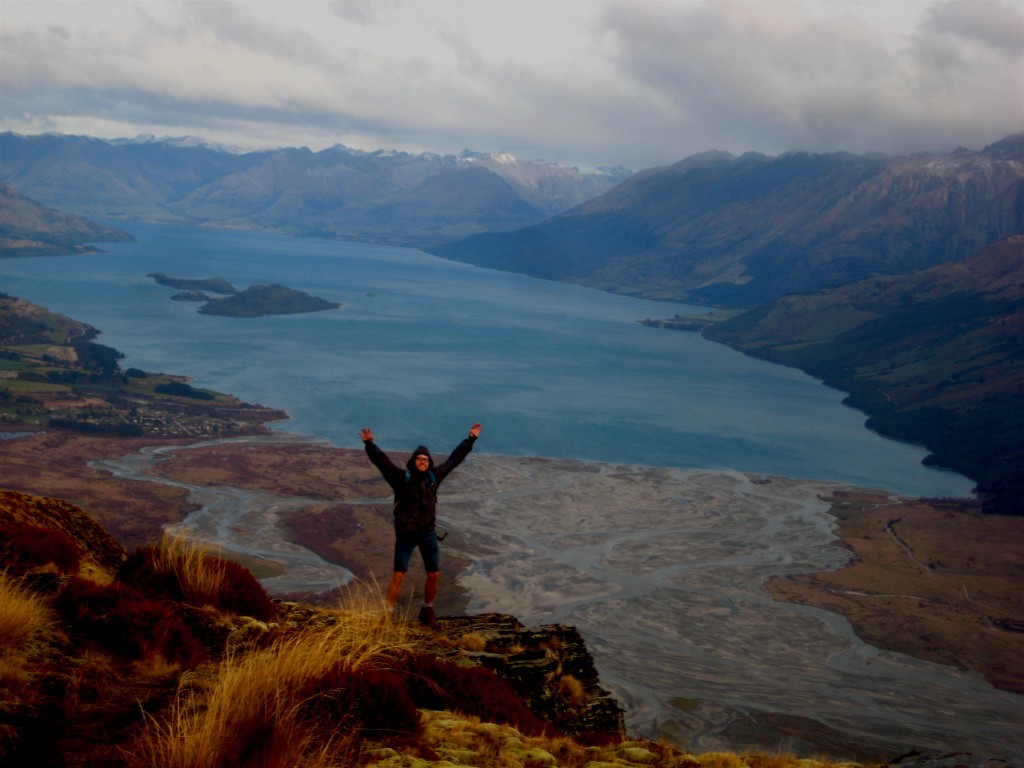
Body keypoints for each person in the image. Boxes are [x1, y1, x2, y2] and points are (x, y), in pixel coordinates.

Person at [359, 423, 481, 626]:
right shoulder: (401, 478)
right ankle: (388, 614)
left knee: (433, 574)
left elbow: (454, 460)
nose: (423, 462)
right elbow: (383, 463)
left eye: (426, 459)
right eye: (419, 459)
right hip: (406, 534)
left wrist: (470, 440)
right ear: (413, 461)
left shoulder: (434, 478)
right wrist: (370, 445)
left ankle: (428, 610)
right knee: (399, 574)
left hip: (427, 533)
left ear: (429, 462)